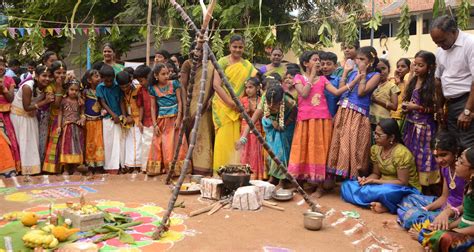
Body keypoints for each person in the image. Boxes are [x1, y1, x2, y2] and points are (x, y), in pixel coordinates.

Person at [289, 50, 358, 197]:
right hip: (304, 120)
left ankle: (320, 187)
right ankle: (300, 184)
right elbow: (305, 93)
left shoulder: (323, 80)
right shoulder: (298, 78)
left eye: (319, 60)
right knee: (302, 150)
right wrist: (312, 75)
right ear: (305, 63)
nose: (319, 63)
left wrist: (354, 82)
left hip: (322, 120)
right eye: (315, 60)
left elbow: (337, 92)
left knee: (320, 152)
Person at [341, 118, 421, 214]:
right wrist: (365, 180)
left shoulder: (402, 153)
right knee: (347, 185)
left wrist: (375, 181)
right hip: (381, 185)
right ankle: (382, 204)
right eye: (375, 133)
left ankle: (385, 205)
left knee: (386, 192)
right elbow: (375, 173)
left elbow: (402, 182)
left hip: (402, 189)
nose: (375, 137)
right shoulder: (376, 149)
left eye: (379, 135)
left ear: (391, 137)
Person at [327, 46, 381, 178]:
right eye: (357, 59)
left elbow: (361, 92)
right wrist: (345, 72)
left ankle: (353, 177)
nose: (358, 61)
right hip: (343, 110)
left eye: (362, 59)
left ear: (371, 62)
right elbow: (341, 90)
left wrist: (362, 75)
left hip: (357, 114)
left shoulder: (375, 75)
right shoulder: (352, 73)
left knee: (355, 146)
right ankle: (339, 175)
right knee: (339, 143)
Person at [397, 131, 467, 230]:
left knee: (413, 217)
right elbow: (444, 197)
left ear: (456, 151)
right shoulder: (445, 168)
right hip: (444, 206)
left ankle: (410, 220)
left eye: (443, 155)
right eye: (436, 156)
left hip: (456, 214)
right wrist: (426, 208)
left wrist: (447, 212)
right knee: (408, 198)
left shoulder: (465, 172)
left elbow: (467, 207)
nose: (439, 160)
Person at [411, 147, 474, 251]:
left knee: (444, 237)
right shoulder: (469, 184)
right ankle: (431, 243)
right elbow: (466, 215)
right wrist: (448, 226)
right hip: (461, 226)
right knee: (431, 227)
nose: (457, 163)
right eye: (459, 159)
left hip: (469, 233)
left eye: (461, 162)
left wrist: (454, 232)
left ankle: (430, 243)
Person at [212, 34, 257, 174]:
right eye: (234, 47)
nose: (237, 50)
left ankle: (235, 171)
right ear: (229, 47)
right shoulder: (222, 62)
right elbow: (216, 85)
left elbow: (253, 85)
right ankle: (220, 171)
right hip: (223, 106)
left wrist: (240, 104)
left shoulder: (247, 65)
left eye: (240, 47)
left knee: (236, 140)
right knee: (223, 139)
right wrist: (231, 103)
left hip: (239, 108)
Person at [431, 15, 474, 150]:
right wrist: (439, 108)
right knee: (453, 147)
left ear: (453, 32)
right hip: (450, 104)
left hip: (467, 101)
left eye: (442, 41)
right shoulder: (440, 51)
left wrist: (467, 111)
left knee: (466, 148)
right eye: (436, 42)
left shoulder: (470, 44)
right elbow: (438, 81)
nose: (439, 45)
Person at [402, 50, 439, 195]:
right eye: (415, 65)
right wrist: (407, 109)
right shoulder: (413, 80)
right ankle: (412, 187)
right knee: (411, 155)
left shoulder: (434, 83)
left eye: (420, 65)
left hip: (425, 129)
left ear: (430, 67)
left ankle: (427, 191)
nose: (416, 68)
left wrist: (416, 107)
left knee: (425, 158)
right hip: (410, 126)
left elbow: (437, 108)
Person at [11, 66, 54, 175]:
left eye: (49, 76)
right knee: (25, 143)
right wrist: (45, 101)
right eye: (44, 76)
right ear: (37, 76)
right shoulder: (27, 86)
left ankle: (33, 169)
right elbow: (27, 107)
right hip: (20, 117)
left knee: (32, 143)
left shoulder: (45, 87)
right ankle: (24, 170)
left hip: (30, 116)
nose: (47, 79)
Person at [146, 64, 188, 176]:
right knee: (160, 143)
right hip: (161, 120)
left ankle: (177, 170)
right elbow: (153, 107)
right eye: (163, 74)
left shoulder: (174, 84)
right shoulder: (152, 88)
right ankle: (160, 169)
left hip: (175, 118)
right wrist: (155, 125)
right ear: (156, 75)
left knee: (176, 143)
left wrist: (179, 118)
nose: (166, 76)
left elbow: (180, 102)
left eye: (167, 73)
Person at [180, 43, 215, 176]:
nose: (199, 53)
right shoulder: (187, 64)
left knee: (203, 134)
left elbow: (213, 86)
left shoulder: (211, 65)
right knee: (190, 136)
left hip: (205, 106)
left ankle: (203, 168)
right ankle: (189, 169)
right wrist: (186, 108)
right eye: (197, 50)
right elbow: (183, 86)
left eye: (202, 51)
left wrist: (210, 99)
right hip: (191, 104)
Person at [262, 84, 297, 185]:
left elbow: (294, 114)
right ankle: (273, 176)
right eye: (269, 103)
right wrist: (273, 121)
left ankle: (282, 179)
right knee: (271, 152)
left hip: (287, 126)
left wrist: (284, 124)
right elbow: (266, 113)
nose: (271, 106)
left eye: (275, 104)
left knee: (282, 152)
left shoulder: (290, 102)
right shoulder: (265, 97)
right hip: (271, 125)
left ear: (281, 100)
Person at [96, 64, 125, 173]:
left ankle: (120, 165)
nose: (109, 83)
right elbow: (102, 102)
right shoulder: (100, 87)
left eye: (111, 81)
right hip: (108, 118)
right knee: (108, 143)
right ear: (102, 79)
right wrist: (113, 114)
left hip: (119, 118)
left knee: (119, 142)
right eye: (106, 81)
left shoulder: (117, 86)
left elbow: (121, 101)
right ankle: (109, 166)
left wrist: (123, 115)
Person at [235, 77, 264, 179]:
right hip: (244, 130)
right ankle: (244, 175)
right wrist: (245, 112)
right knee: (245, 152)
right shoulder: (243, 100)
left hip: (257, 130)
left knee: (255, 152)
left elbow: (263, 116)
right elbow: (240, 115)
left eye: (250, 87)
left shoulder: (261, 100)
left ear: (257, 88)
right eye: (246, 88)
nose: (248, 90)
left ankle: (256, 176)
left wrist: (254, 111)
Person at [42, 61, 67, 174]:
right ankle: (53, 168)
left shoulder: (67, 84)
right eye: (58, 72)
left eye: (63, 72)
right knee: (55, 142)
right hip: (54, 119)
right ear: (52, 74)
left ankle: (66, 166)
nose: (61, 75)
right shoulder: (50, 87)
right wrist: (58, 87)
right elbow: (56, 104)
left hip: (67, 118)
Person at [58, 80, 85, 174]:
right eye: (72, 89)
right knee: (66, 147)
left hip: (77, 128)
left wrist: (82, 119)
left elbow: (82, 113)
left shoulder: (80, 102)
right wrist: (59, 126)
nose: (74, 92)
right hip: (66, 127)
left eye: (76, 90)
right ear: (67, 90)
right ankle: (65, 168)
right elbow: (60, 113)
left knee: (76, 147)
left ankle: (75, 168)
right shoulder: (64, 101)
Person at [117, 71, 142, 172]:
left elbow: (142, 106)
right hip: (129, 119)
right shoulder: (121, 91)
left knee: (139, 142)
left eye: (126, 86)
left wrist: (136, 117)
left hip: (138, 119)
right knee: (129, 142)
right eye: (122, 87)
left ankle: (138, 165)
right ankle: (130, 165)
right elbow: (122, 102)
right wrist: (125, 116)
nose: (125, 89)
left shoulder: (138, 88)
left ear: (131, 81)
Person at [0, 58, 20, 176]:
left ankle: (8, 169)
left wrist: (4, 89)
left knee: (8, 141)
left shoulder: (9, 80)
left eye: (2, 65)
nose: (0, 67)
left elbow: (11, 98)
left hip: (6, 114)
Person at [37, 51, 58, 163]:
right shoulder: (39, 75)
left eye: (56, 60)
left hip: (53, 114)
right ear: (45, 62)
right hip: (38, 112)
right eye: (51, 61)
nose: (54, 63)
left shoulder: (58, 76)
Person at [82, 69, 105, 173]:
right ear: (89, 80)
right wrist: (82, 115)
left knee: (99, 142)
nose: (98, 78)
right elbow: (82, 106)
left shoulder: (102, 90)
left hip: (99, 120)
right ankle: (90, 165)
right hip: (89, 121)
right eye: (96, 76)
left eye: (99, 76)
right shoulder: (85, 92)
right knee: (90, 142)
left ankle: (99, 165)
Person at [369, 58, 400, 127]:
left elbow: (394, 107)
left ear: (388, 70)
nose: (381, 71)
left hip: (383, 123)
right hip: (368, 120)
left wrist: (376, 100)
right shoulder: (370, 84)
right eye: (377, 69)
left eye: (383, 68)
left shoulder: (392, 86)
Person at [135, 65, 154, 172]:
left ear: (148, 77)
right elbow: (141, 105)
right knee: (146, 144)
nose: (141, 83)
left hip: (156, 120)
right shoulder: (141, 91)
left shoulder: (155, 88)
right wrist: (140, 121)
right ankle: (146, 167)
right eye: (139, 81)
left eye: (141, 80)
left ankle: (156, 166)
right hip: (146, 121)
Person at [390, 58, 412, 129]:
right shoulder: (391, 81)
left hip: (402, 117)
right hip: (390, 116)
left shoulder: (408, 83)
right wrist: (396, 83)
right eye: (398, 67)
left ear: (409, 70)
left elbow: (405, 96)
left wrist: (399, 82)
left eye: (403, 66)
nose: (399, 69)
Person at [320, 51, 341, 117]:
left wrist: (336, 117)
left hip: (332, 117)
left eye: (328, 64)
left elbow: (342, 101)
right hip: (317, 117)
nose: (325, 66)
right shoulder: (316, 80)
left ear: (335, 66)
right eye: (322, 64)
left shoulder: (339, 81)